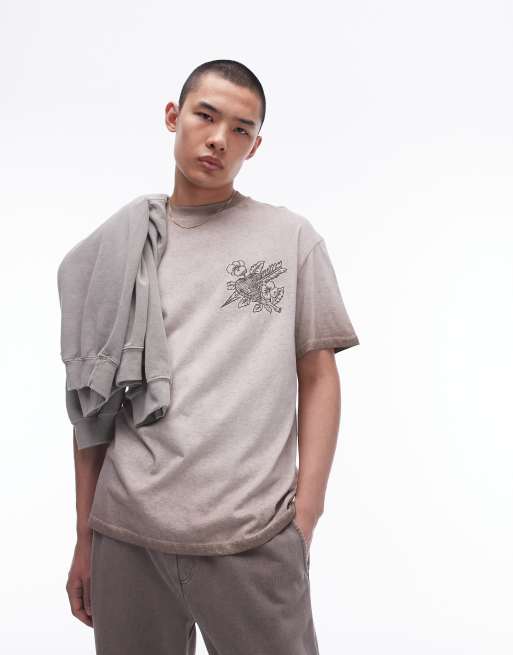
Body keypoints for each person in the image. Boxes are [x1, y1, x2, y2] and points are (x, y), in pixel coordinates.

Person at [64, 59, 360, 654]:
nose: (220, 138)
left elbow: (318, 376)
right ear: (174, 117)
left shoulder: (289, 239)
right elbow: (92, 409)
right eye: (206, 116)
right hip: (127, 534)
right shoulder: (121, 247)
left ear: (255, 146)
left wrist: (306, 514)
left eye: (241, 129)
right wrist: (85, 537)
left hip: (253, 537)